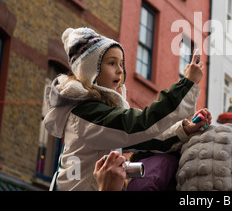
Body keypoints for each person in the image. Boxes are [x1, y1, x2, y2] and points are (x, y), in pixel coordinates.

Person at [44, 27, 211, 191]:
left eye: (121, 64)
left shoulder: (93, 116)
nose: (120, 70)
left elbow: (150, 139)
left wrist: (184, 129)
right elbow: (143, 124)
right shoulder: (86, 115)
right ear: (90, 70)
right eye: (111, 63)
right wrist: (186, 84)